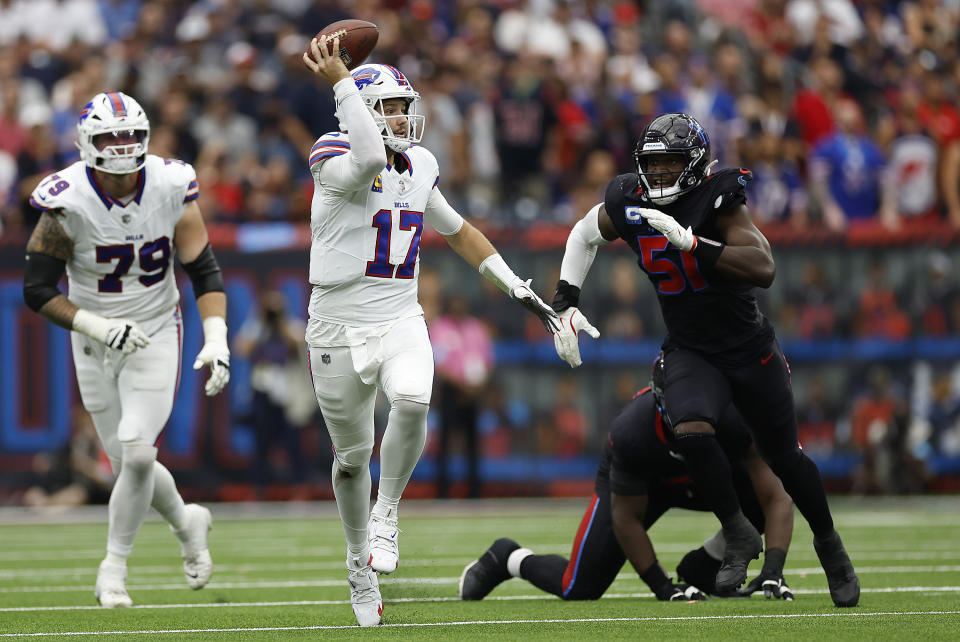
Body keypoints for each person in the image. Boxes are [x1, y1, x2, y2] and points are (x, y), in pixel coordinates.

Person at [549, 113, 860, 607]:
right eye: (654, 164)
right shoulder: (631, 199)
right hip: (692, 349)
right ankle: (736, 529)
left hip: (748, 348)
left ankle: (830, 546)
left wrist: (694, 242)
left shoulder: (719, 198)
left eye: (672, 164)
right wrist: (566, 298)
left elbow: (764, 267)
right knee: (690, 428)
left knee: (785, 458)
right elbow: (583, 234)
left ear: (694, 164)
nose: (661, 174)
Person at [301, 36, 559, 627]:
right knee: (349, 459)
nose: (401, 117)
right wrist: (343, 81)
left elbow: (459, 230)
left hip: (398, 314)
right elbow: (366, 161)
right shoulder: (332, 151)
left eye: (401, 106)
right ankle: (357, 561)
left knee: (414, 399)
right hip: (336, 325)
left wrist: (519, 287)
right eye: (388, 107)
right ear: (361, 110)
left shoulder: (419, 165)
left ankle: (386, 512)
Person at [22, 91, 230, 608]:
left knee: (137, 449)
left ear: (145, 137)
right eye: (109, 137)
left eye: (129, 135)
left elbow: (202, 268)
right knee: (125, 464)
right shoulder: (66, 199)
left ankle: (113, 569)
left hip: (157, 327)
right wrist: (95, 325)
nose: (120, 147)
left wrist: (218, 337)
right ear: (86, 143)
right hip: (93, 337)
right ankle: (187, 523)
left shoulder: (169, 183)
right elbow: (38, 290)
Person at [459, 384, 795, 603]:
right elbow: (626, 518)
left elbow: (777, 492)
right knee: (579, 586)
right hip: (646, 486)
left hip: (708, 480)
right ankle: (507, 558)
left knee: (767, 485)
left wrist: (773, 570)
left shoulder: (736, 418)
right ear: (660, 407)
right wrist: (663, 588)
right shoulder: (633, 431)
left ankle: (702, 568)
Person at [234, 290, 312, 493]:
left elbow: (299, 343)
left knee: (293, 443)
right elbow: (241, 348)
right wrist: (262, 323)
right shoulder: (256, 328)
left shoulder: (291, 326)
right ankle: (259, 489)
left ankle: (298, 487)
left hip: (288, 395)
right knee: (261, 442)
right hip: (263, 393)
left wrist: (280, 322)